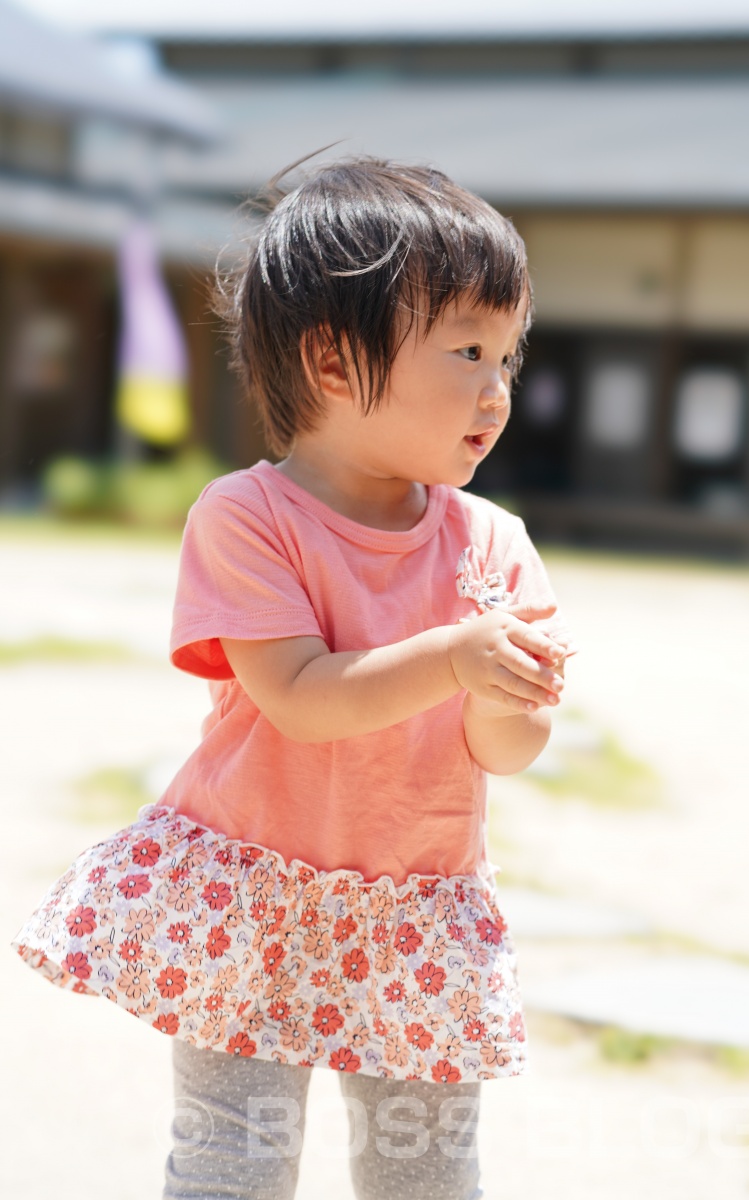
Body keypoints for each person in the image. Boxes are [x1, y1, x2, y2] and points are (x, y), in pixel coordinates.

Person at [13, 156, 576, 1199]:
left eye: (508, 354)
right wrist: (455, 656)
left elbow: (504, 752)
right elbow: (302, 700)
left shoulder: (492, 543)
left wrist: (512, 698)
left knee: (423, 1170)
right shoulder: (249, 518)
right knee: (236, 1161)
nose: (497, 388)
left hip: (418, 907)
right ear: (329, 361)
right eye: (466, 350)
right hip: (252, 893)